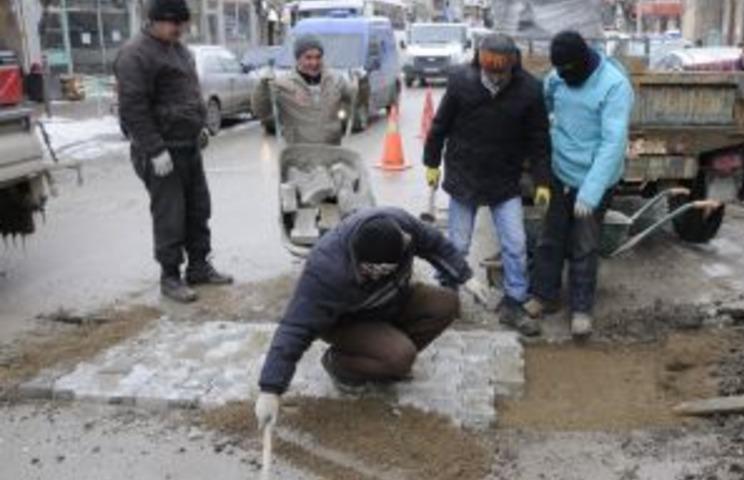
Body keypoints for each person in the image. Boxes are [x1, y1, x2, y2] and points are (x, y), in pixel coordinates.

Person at [254, 207, 486, 430]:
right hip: (347, 321)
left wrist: (465, 276)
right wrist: (270, 389)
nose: (376, 276)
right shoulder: (326, 269)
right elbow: (295, 327)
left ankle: (385, 355)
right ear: (357, 258)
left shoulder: (402, 226)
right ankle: (339, 363)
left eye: (385, 270)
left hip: (390, 301)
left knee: (445, 303)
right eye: (371, 271)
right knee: (400, 356)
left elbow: (435, 244)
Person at [422, 33, 550, 337]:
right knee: (457, 245)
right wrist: (431, 162)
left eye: (501, 68)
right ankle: (446, 298)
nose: (494, 74)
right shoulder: (460, 83)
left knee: (515, 246)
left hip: (505, 179)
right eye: (488, 66)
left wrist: (542, 181)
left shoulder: (529, 91)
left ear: (512, 64)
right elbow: (439, 126)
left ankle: (514, 303)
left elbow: (539, 140)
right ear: (479, 60)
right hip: (464, 173)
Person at [115, 0, 232, 303]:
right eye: (172, 22)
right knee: (170, 215)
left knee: (198, 209)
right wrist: (154, 150)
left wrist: (202, 125)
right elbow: (133, 108)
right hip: (161, 151)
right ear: (154, 20)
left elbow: (192, 93)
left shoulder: (179, 50)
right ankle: (170, 276)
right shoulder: (135, 54)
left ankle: (198, 266)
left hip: (187, 145)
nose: (178, 28)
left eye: (182, 22)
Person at [527, 31, 634, 338]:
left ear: (584, 61)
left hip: (595, 177)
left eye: (569, 72)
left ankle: (581, 309)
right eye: (560, 71)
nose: (564, 76)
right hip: (561, 171)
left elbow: (613, 144)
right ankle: (544, 296)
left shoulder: (613, 86)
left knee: (584, 245)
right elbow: (545, 99)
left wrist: (590, 191)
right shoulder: (557, 77)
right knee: (550, 238)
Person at [251, 34, 356, 145]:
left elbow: (356, 100)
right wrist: (262, 86)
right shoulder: (283, 84)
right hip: (299, 154)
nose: (314, 63)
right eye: (308, 57)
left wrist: (362, 83)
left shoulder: (335, 80)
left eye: (318, 57)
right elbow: (261, 111)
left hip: (330, 152)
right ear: (298, 58)